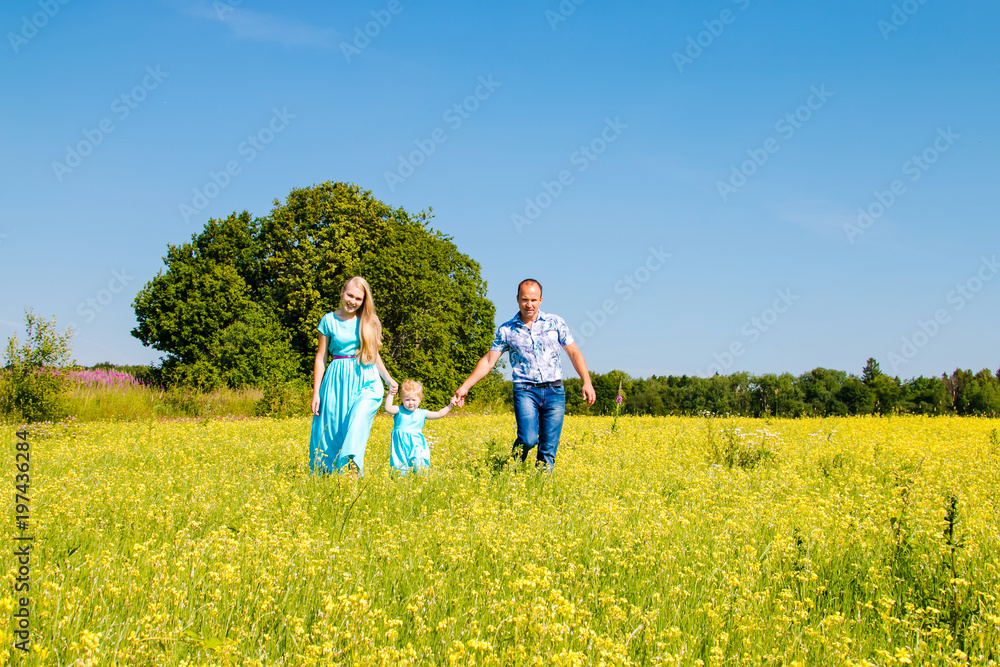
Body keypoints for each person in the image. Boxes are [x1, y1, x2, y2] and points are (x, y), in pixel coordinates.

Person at [453, 279, 596, 469]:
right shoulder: (506, 329)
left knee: (548, 450)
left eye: (534, 300)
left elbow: (574, 352)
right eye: (525, 300)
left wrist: (586, 381)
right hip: (525, 390)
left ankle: (539, 488)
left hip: (554, 391)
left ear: (541, 300)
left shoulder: (555, 322)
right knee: (528, 439)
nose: (529, 305)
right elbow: (489, 361)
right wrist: (465, 387)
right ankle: (510, 468)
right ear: (517, 299)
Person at [310, 276, 397, 476]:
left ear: (363, 301)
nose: (353, 301)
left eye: (358, 298)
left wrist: (388, 379)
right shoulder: (328, 320)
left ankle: (351, 465)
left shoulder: (368, 321)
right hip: (336, 378)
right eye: (350, 295)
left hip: (366, 378)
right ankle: (326, 473)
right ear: (342, 292)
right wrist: (316, 392)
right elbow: (320, 358)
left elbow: (374, 355)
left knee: (358, 419)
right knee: (331, 427)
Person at [384, 379, 456, 474]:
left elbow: (439, 414)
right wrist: (391, 394)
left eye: (414, 400)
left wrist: (450, 406)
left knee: (419, 458)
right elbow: (388, 408)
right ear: (402, 400)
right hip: (400, 443)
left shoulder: (422, 413)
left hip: (416, 442)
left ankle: (420, 477)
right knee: (399, 463)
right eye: (407, 400)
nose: (411, 403)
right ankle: (402, 480)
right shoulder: (399, 410)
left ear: (419, 400)